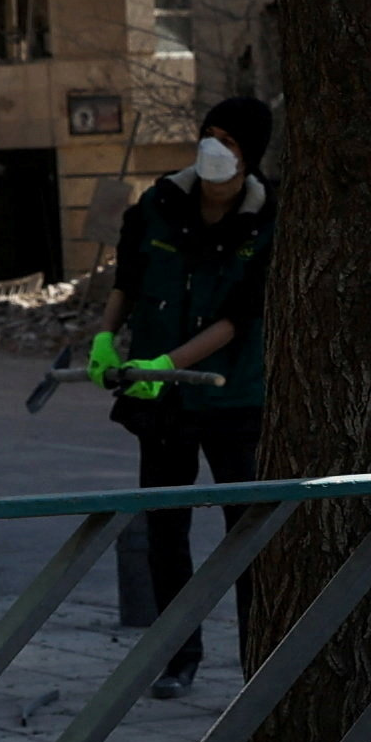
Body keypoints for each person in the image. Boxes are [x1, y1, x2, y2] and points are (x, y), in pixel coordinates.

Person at [94, 130, 276, 687]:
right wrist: (106, 338)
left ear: (246, 171)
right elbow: (129, 279)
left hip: (233, 395)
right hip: (164, 402)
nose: (216, 196)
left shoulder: (269, 218)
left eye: (228, 184)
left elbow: (238, 318)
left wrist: (166, 365)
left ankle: (260, 659)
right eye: (209, 186)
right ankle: (179, 656)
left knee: (245, 529)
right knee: (165, 528)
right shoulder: (159, 206)